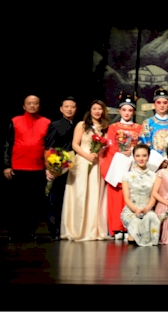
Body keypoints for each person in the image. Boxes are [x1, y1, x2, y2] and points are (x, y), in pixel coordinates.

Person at [61, 100, 111, 241]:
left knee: (94, 195)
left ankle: (92, 229)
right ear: (90, 111)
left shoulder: (105, 127)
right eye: (94, 108)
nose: (97, 111)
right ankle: (77, 229)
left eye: (100, 109)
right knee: (80, 194)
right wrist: (87, 155)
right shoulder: (82, 125)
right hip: (83, 162)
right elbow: (75, 145)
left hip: (97, 163)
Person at [3, 95, 51, 242]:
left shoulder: (46, 122)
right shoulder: (15, 121)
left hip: (38, 169)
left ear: (39, 106)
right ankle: (14, 233)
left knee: (34, 204)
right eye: (29, 103)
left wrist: (49, 167)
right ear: (24, 106)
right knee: (16, 203)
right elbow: (7, 144)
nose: (32, 106)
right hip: (18, 167)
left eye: (35, 103)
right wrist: (6, 165)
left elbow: (49, 146)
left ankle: (30, 232)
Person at [99, 91, 142, 240]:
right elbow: (111, 145)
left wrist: (133, 151)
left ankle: (129, 227)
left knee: (131, 196)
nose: (127, 113)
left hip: (133, 164)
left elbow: (142, 145)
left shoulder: (139, 127)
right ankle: (116, 227)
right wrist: (122, 153)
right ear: (120, 111)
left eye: (130, 110)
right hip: (117, 164)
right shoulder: (113, 127)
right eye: (124, 109)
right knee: (116, 197)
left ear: (134, 111)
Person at [44, 96, 77, 241]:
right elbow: (49, 147)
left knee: (69, 199)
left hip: (75, 167)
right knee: (56, 198)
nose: (69, 109)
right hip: (59, 165)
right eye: (66, 106)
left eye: (72, 107)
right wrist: (48, 168)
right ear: (61, 109)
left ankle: (67, 228)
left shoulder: (78, 125)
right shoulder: (55, 124)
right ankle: (54, 230)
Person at [120, 144, 160, 246]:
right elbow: (126, 198)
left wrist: (148, 208)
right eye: (137, 156)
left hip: (147, 210)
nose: (141, 159)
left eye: (144, 155)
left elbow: (153, 197)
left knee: (152, 218)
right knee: (135, 222)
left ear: (148, 156)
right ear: (133, 157)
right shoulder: (127, 176)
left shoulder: (154, 176)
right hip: (131, 210)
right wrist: (136, 210)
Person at [138, 88, 168, 156]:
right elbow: (144, 144)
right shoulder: (147, 123)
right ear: (154, 104)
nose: (162, 105)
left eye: (165, 103)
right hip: (152, 159)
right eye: (159, 102)